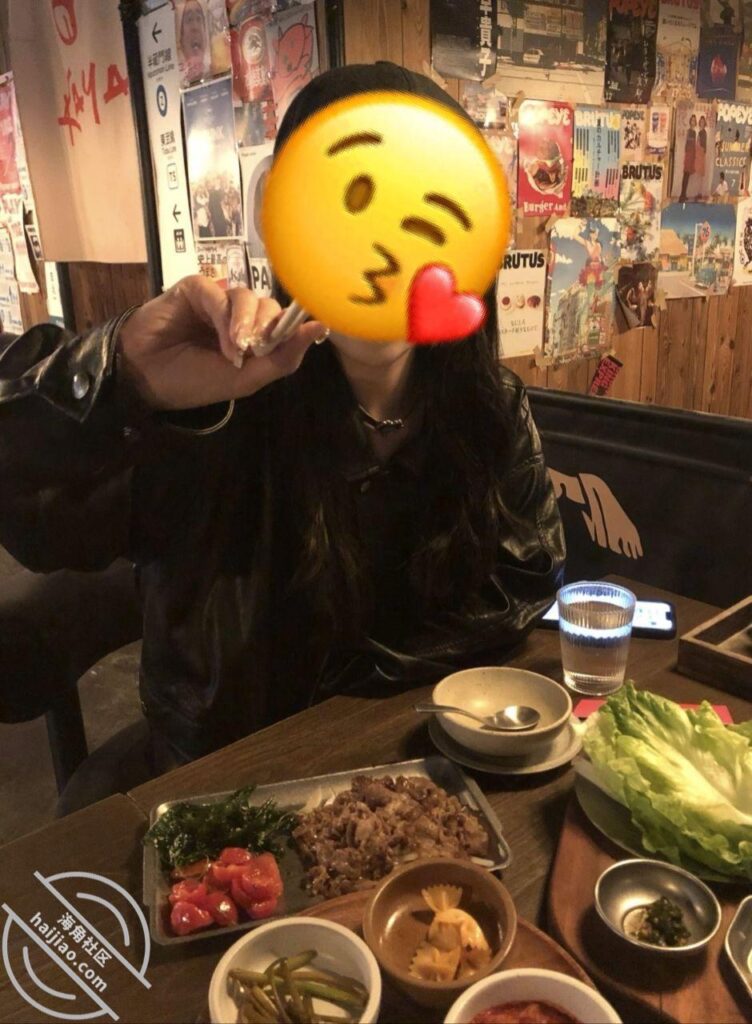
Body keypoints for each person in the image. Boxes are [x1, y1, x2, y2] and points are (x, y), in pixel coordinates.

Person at [0, 62, 565, 812]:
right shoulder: (215, 402)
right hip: (231, 796)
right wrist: (122, 375)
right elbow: (35, 512)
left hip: (421, 775)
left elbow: (522, 583)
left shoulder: (487, 406)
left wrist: (356, 687)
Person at [679, 114, 697, 202]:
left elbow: (693, 144)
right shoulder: (689, 131)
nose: (693, 122)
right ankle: (682, 195)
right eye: (692, 120)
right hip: (688, 154)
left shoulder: (694, 132)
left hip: (692, 154)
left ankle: (684, 194)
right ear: (690, 121)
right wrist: (688, 154)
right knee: (686, 175)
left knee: (687, 175)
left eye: (694, 120)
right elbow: (688, 143)